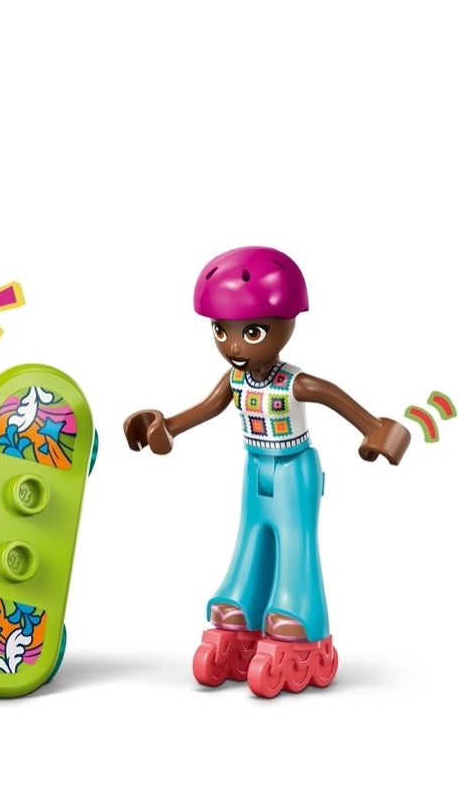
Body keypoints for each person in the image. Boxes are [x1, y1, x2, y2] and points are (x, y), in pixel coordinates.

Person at [123, 246, 410, 697]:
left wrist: (376, 430)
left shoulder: (293, 382)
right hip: (254, 463)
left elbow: (335, 397)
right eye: (221, 331)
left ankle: (299, 610)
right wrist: (166, 428)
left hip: (295, 469)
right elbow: (206, 408)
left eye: (251, 332)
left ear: (285, 324)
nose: (234, 346)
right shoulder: (236, 380)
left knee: (295, 540)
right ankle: (243, 599)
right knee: (251, 533)